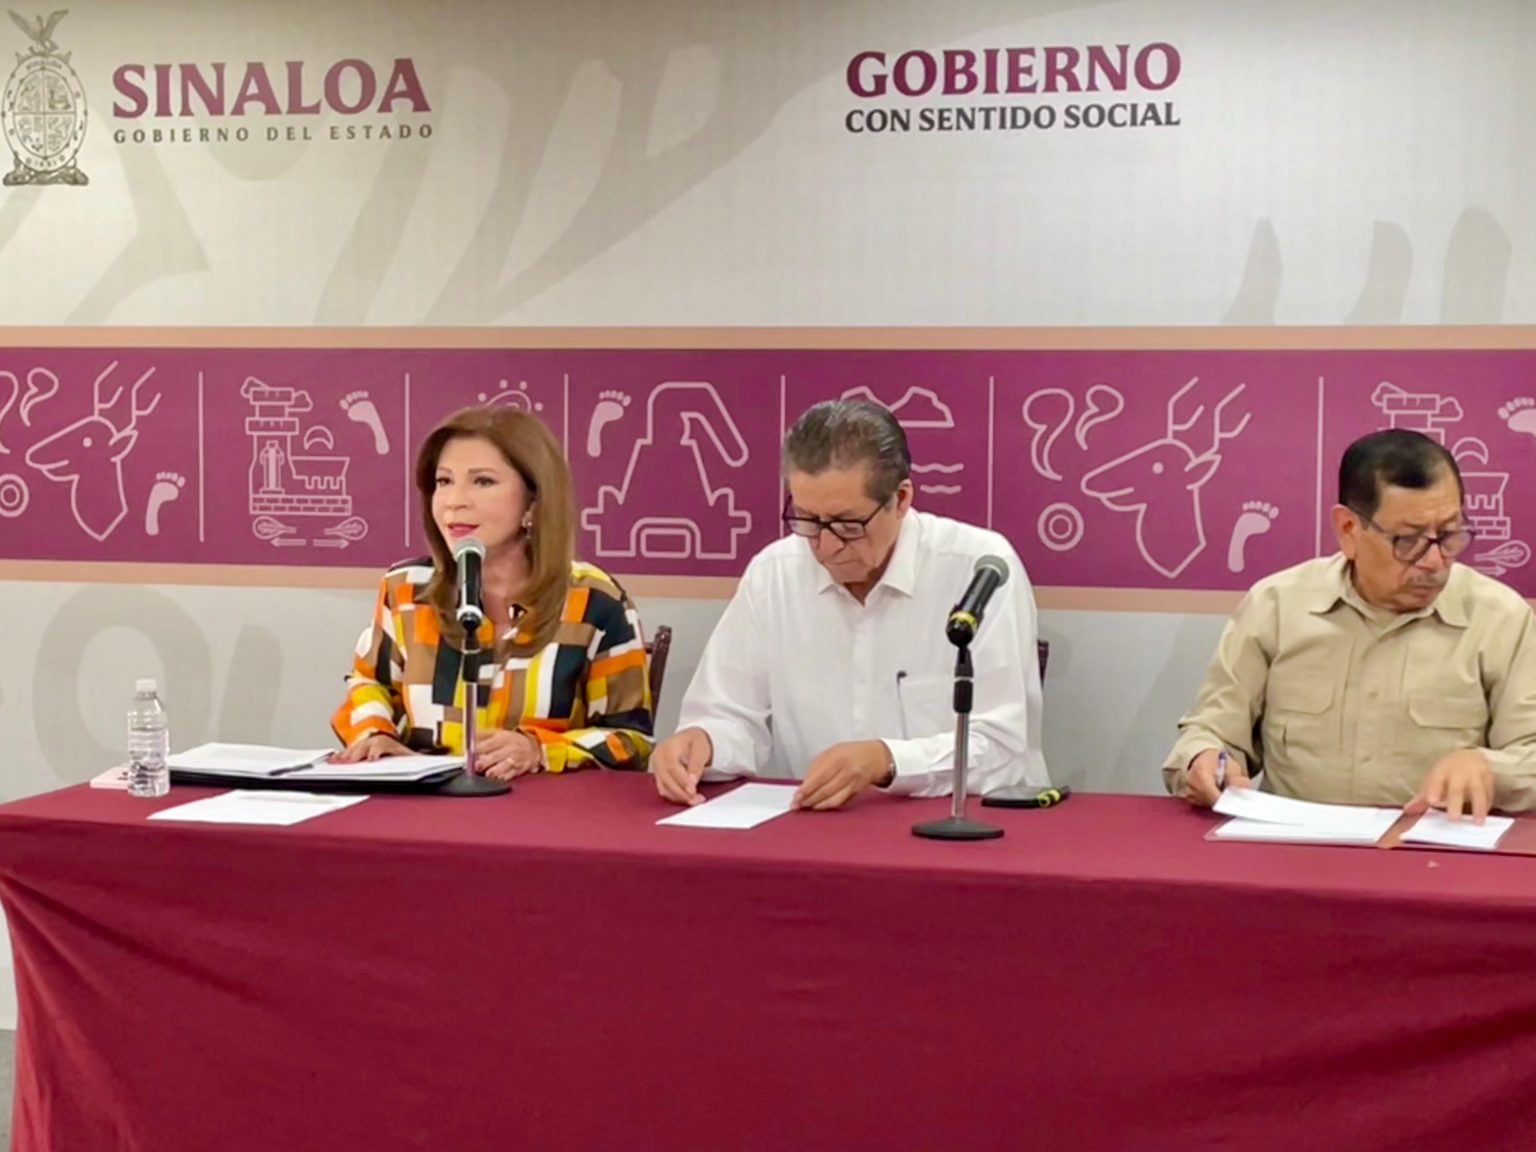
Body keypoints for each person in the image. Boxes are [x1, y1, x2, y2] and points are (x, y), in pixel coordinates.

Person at [652, 399, 1049, 810]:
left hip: (961, 826)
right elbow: (730, 716)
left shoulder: (979, 569)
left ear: (901, 499)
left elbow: (1003, 748)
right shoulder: (774, 574)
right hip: (814, 828)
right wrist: (704, 743)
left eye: (848, 525)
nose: (825, 546)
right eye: (807, 520)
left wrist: (886, 761)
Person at [1166, 428, 1536, 821]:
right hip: (1292, 845)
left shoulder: (1499, 618)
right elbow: (1213, 729)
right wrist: (1204, 759)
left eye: (1449, 534)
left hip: (1433, 848)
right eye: (1408, 540)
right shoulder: (1277, 606)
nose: (1434, 561)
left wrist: (1488, 768)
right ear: (1348, 530)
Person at [332, 406, 654, 779]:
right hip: (427, 803)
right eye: (444, 481)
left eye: (482, 482)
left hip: (539, 806)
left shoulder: (595, 600)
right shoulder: (406, 589)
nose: (454, 500)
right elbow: (370, 684)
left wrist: (539, 750)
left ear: (534, 500)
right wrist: (375, 734)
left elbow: (631, 740)